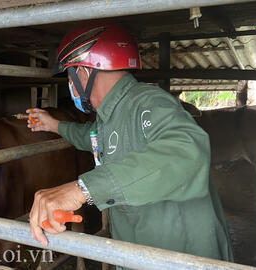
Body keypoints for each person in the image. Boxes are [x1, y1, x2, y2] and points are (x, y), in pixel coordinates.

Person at [26, 21, 233, 266]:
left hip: (179, 254)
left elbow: (186, 150)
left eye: (69, 77)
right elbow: (89, 136)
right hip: (139, 253)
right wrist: (53, 125)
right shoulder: (108, 118)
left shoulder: (149, 102)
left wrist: (82, 189)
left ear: (83, 71)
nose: (70, 86)